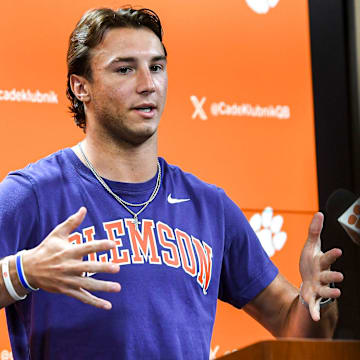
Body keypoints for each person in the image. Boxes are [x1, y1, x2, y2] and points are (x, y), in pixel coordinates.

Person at [0, 7, 343, 360]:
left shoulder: (210, 206)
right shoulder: (32, 194)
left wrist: (314, 298)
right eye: (125, 69)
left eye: (157, 67)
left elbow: (293, 327)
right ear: (81, 86)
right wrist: (20, 273)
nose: (148, 84)